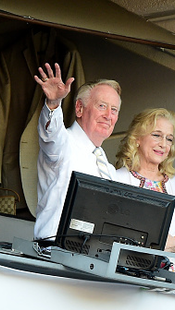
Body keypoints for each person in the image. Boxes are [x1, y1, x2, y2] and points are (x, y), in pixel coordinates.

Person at [32, 63, 122, 242]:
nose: (108, 115)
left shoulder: (108, 168)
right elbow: (51, 134)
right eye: (102, 106)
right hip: (53, 251)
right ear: (79, 108)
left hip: (91, 257)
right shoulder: (64, 144)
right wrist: (53, 103)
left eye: (114, 110)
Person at [114, 108, 175, 273]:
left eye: (169, 139)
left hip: (172, 284)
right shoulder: (117, 179)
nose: (163, 144)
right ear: (137, 139)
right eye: (156, 135)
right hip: (127, 280)